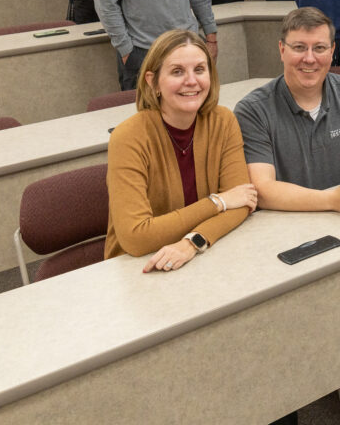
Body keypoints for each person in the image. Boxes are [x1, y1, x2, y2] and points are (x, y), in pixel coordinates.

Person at [105, 29, 257, 271]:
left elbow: (241, 202)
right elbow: (136, 237)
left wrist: (192, 241)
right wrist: (217, 202)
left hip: (202, 257)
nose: (191, 81)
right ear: (152, 82)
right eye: (177, 71)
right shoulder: (128, 137)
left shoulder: (223, 120)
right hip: (140, 268)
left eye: (199, 69)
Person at [235, 7, 340, 214]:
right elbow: (262, 189)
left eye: (319, 48)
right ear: (282, 50)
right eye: (299, 47)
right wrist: (333, 200)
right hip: (283, 223)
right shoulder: (252, 110)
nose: (309, 58)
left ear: (332, 51)